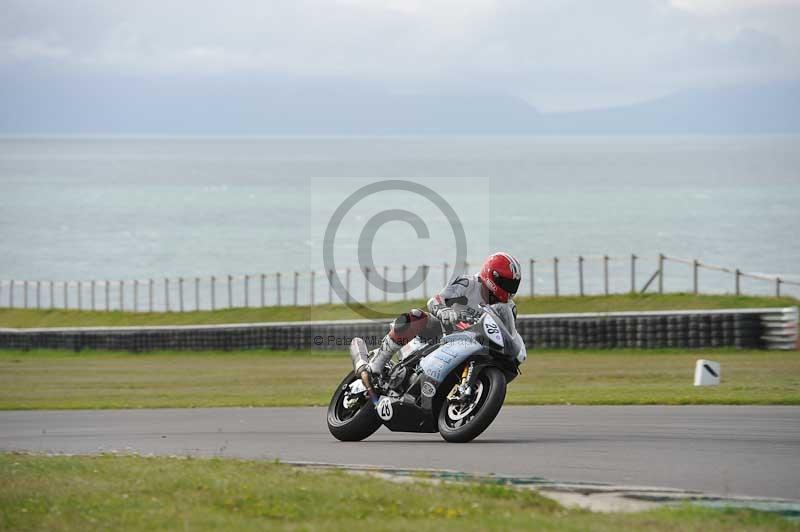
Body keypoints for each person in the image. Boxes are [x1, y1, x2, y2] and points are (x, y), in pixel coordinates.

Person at [360, 252, 522, 379]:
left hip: (475, 343)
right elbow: (436, 301)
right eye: (506, 283)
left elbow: (507, 333)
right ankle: (378, 363)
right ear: (492, 276)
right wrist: (444, 311)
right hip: (444, 332)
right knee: (416, 316)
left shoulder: (509, 308)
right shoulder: (467, 283)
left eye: (513, 284)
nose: (509, 288)